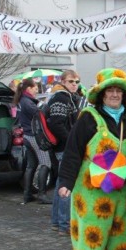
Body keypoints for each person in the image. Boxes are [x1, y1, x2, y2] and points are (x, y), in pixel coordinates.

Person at [57, 68, 126, 250]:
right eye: (109, 90)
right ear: (101, 95)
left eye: (118, 91)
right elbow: (73, 150)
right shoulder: (89, 117)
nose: (114, 94)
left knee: (120, 235)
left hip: (125, 191)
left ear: (124, 94)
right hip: (92, 192)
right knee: (91, 236)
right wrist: (66, 182)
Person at [49, 70, 82, 233]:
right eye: (71, 81)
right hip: (64, 148)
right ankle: (64, 224)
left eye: (77, 81)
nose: (74, 84)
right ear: (63, 82)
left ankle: (57, 222)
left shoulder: (68, 97)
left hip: (63, 147)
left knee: (60, 184)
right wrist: (71, 141)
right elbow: (56, 123)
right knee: (67, 184)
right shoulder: (61, 98)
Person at [13, 78, 45, 204]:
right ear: (29, 88)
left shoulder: (21, 100)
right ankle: (42, 195)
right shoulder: (27, 102)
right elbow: (40, 115)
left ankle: (27, 194)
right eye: (35, 88)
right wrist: (43, 106)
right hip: (34, 136)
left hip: (27, 136)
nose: (37, 91)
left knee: (31, 165)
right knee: (46, 163)